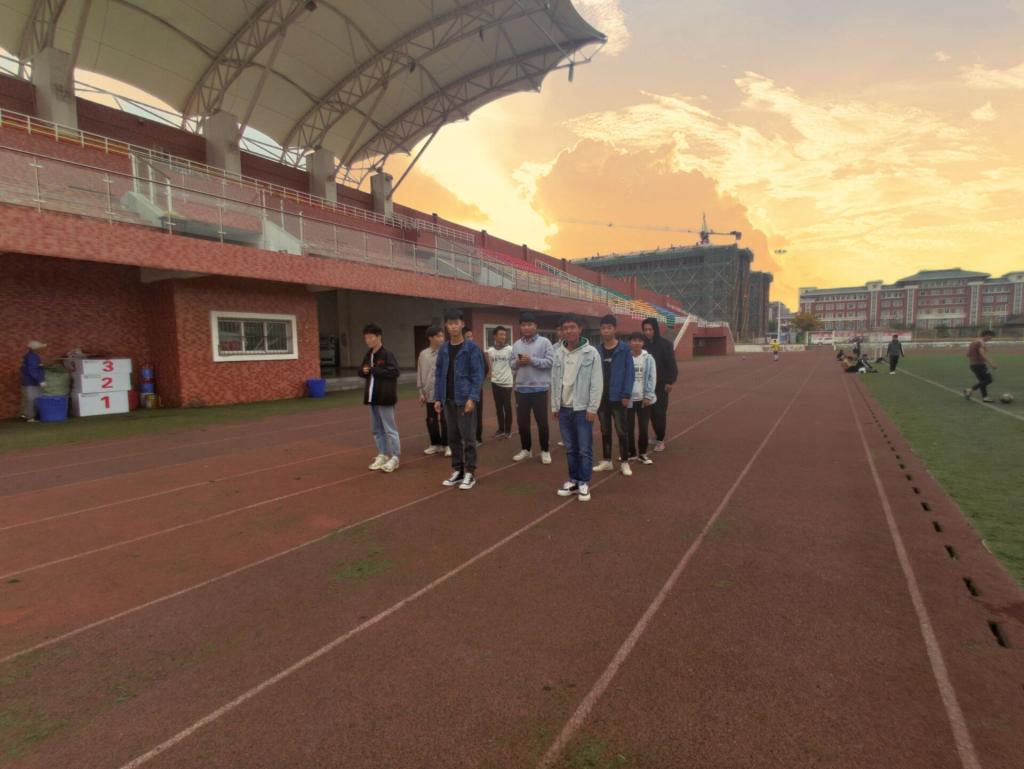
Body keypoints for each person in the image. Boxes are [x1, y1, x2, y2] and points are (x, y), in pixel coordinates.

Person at [551, 315, 603, 502]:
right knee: (570, 448)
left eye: (572, 327)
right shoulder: (558, 352)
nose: (569, 330)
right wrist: (555, 405)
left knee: (584, 448)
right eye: (565, 327)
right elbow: (554, 380)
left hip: (582, 408)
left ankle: (584, 482)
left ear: (580, 329)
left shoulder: (591, 353)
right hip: (564, 408)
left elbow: (597, 382)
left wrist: (593, 407)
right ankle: (573, 480)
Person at [435, 309, 485, 489]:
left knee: (469, 437)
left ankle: (470, 472)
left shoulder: (472, 348)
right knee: (453, 437)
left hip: (464, 399)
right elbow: (439, 374)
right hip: (448, 399)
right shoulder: (443, 349)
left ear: (462, 324)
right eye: (450, 323)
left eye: (456, 323)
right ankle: (458, 470)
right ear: (446, 326)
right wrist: (438, 398)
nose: (453, 326)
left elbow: (478, 375)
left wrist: (473, 397)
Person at [509, 311, 554, 464]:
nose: (526, 327)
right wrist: (517, 362)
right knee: (522, 423)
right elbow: (511, 364)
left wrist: (532, 360)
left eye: (529, 324)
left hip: (539, 389)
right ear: (520, 327)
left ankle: (545, 451)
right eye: (523, 325)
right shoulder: (516, 344)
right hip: (521, 389)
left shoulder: (545, 342)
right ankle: (526, 449)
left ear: (535, 326)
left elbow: (550, 362)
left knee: (542, 422)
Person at [593, 315, 633, 476]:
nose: (606, 331)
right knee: (605, 430)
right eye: (603, 328)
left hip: (618, 397)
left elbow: (629, 373)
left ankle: (625, 462)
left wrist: (626, 394)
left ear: (615, 329)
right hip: (602, 397)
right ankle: (607, 461)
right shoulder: (597, 350)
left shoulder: (624, 349)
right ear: (600, 330)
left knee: (622, 431)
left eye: (609, 328)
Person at [358, 324, 401, 473]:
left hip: (385, 397)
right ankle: (382, 454)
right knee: (376, 429)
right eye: (366, 338)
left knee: (390, 429)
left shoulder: (387, 354)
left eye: (371, 337)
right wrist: (363, 371)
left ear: (379, 337)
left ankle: (395, 457)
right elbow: (361, 371)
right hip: (372, 398)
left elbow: (394, 372)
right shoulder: (368, 354)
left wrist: (374, 370)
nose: (368, 340)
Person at [642, 317, 678, 452]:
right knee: (650, 413)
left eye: (650, 329)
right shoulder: (642, 344)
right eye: (645, 329)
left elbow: (671, 364)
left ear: (655, 329)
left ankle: (661, 440)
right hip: (645, 385)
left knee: (659, 412)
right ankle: (657, 435)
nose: (647, 332)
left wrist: (670, 381)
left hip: (661, 384)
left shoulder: (665, 344)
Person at [625, 331, 658, 464]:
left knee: (643, 428)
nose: (636, 343)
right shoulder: (626, 357)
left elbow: (652, 377)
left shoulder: (648, 358)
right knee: (628, 428)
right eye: (634, 340)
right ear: (630, 342)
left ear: (643, 343)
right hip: (629, 399)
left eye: (639, 340)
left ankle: (642, 453)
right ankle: (631, 453)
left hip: (644, 400)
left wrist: (648, 396)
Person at [416, 325, 448, 455]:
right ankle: (435, 444)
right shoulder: (423, 354)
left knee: (445, 419)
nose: (442, 338)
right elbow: (420, 373)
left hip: (444, 392)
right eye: (438, 336)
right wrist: (420, 392)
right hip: (429, 392)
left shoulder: (446, 352)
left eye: (442, 336)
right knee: (431, 419)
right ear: (430, 338)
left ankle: (447, 444)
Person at [486, 325, 515, 439]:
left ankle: (508, 430)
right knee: (498, 407)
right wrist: (493, 376)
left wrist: (511, 375)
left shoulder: (511, 349)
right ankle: (501, 429)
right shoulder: (490, 351)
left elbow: (515, 365)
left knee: (507, 407)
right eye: (501, 334)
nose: (503, 337)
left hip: (507, 383)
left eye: (504, 335)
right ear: (495, 336)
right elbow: (491, 365)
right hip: (495, 382)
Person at [464, 327, 489, 443]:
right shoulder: (457, 350)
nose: (470, 339)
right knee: (463, 413)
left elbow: (486, 368)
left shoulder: (477, 350)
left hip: (475, 388)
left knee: (477, 413)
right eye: (467, 337)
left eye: (471, 336)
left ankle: (478, 438)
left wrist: (478, 382)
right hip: (462, 389)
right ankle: (466, 437)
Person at [964, 330, 998, 403]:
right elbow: (982, 354)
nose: (991, 338)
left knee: (982, 381)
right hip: (979, 365)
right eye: (991, 336)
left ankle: (985, 397)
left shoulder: (973, 342)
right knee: (989, 380)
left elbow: (967, 354)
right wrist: (991, 363)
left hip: (973, 365)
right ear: (987, 335)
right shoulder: (981, 342)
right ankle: (969, 390)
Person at [20, 340, 48, 422]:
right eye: (40, 348)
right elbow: (33, 370)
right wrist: (40, 380)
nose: (41, 349)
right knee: (32, 399)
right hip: (31, 382)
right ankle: (30, 417)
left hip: (27, 381)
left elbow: (23, 368)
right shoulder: (33, 357)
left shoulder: (27, 356)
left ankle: (25, 414)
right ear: (35, 349)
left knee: (27, 399)